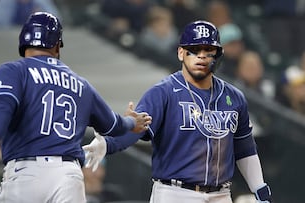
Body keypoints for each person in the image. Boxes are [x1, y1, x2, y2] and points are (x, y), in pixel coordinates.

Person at [0, 12, 152, 203]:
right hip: (68, 176)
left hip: (26, 173)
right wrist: (130, 121)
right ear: (56, 45)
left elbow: (3, 107)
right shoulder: (81, 84)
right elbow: (113, 126)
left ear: (24, 41)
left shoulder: (14, 70)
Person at [83, 20, 272, 203]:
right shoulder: (163, 92)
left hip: (221, 194)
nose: (201, 56)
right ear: (181, 53)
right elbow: (138, 130)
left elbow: (244, 147)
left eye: (208, 50)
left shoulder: (234, 97)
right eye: (194, 50)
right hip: (176, 193)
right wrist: (109, 144)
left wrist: (259, 188)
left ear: (218, 55)